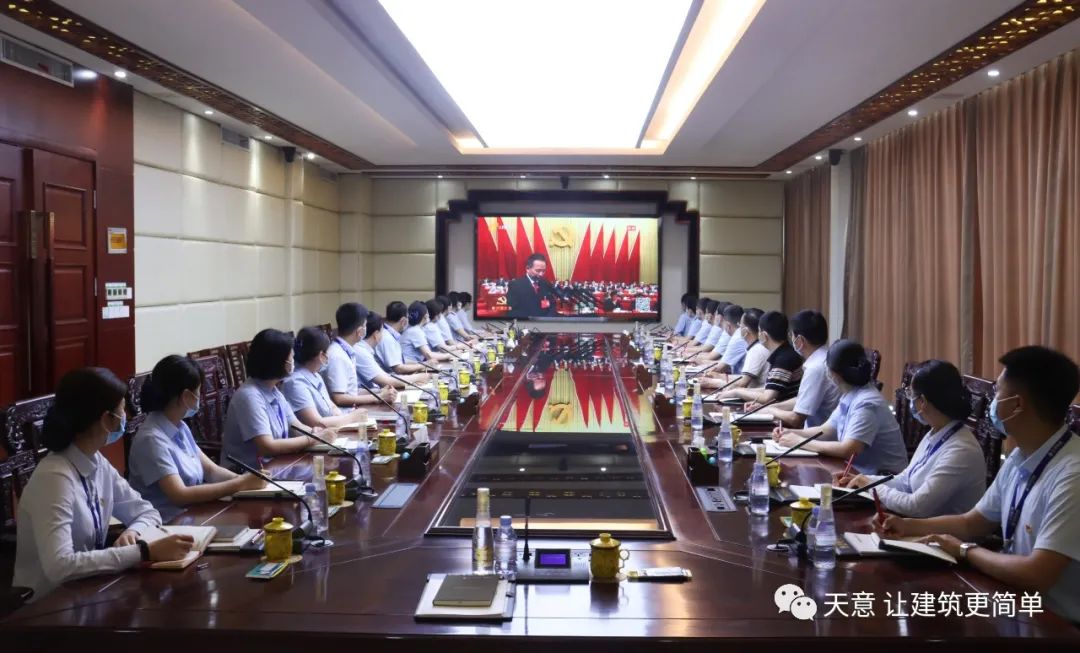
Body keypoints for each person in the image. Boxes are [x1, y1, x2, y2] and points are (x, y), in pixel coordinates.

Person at [879, 346, 1080, 623]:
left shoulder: (1072, 475)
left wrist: (965, 551)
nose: (991, 403)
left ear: (1017, 405)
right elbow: (973, 522)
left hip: (1055, 624)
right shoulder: (1020, 456)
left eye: (997, 392)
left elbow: (1037, 574)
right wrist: (908, 526)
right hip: (1012, 601)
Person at [14, 368, 194, 600]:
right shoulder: (54, 478)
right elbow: (59, 566)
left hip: (90, 590)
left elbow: (147, 512)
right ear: (106, 419)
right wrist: (143, 551)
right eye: (122, 410)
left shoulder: (95, 461)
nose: (125, 417)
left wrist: (134, 532)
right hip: (49, 604)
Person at [836, 360, 986, 517]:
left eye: (910, 394)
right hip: (915, 523)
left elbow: (916, 506)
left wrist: (870, 487)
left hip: (937, 530)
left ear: (923, 402)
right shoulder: (936, 432)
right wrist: (861, 479)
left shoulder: (961, 451)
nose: (910, 401)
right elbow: (905, 481)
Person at [129, 355, 266, 522]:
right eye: (199, 391)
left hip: (196, 515)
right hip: (168, 525)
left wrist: (248, 481)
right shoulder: (151, 440)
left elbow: (211, 471)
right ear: (186, 396)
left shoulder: (179, 426)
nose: (200, 397)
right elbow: (180, 495)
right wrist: (240, 484)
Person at [773, 339, 908, 475]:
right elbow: (826, 430)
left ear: (834, 373)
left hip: (882, 479)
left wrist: (799, 442)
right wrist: (791, 433)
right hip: (857, 473)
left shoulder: (867, 403)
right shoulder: (851, 393)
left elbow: (848, 450)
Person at [221, 328, 321, 471]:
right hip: (247, 474)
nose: (293, 362)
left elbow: (296, 426)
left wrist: (315, 432)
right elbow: (267, 446)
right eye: (291, 358)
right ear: (277, 362)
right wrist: (311, 439)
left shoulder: (273, 390)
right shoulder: (249, 396)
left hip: (277, 466)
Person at [281, 327, 371, 430]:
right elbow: (316, 423)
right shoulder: (295, 383)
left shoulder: (316, 375)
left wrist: (341, 417)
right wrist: (352, 417)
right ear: (321, 355)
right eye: (327, 351)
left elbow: (332, 407)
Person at [767, 309, 840, 428]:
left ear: (800, 340)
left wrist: (769, 411)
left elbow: (796, 419)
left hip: (817, 436)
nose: (791, 339)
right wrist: (773, 406)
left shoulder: (815, 368)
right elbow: (803, 400)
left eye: (791, 335)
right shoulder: (824, 357)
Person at [719, 311, 803, 406]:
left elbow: (767, 398)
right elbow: (769, 389)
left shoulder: (783, 359)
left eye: (759, 331)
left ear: (764, 335)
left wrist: (737, 392)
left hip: (781, 410)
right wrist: (739, 390)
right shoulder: (783, 352)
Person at [323, 302, 397, 408]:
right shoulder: (337, 356)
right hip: (346, 413)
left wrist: (379, 392)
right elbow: (339, 398)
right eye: (365, 326)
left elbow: (352, 391)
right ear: (360, 331)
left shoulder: (346, 350)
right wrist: (379, 397)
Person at [357, 312, 429, 390]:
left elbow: (386, 376)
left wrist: (412, 379)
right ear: (376, 334)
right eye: (382, 331)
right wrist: (417, 377)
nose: (383, 335)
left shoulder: (365, 350)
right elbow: (388, 380)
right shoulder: (362, 352)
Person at [701, 308, 767, 391]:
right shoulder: (756, 346)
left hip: (753, 395)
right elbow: (743, 377)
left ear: (745, 331)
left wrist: (713, 383)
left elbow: (742, 384)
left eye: (740, 325)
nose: (739, 328)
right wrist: (721, 376)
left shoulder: (757, 350)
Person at [377, 301, 432, 374]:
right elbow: (398, 368)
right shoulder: (387, 338)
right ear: (403, 321)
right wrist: (424, 365)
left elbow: (400, 361)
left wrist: (422, 364)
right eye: (408, 317)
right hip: (390, 377)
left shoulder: (390, 334)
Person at [506, 253, 556, 318]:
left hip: (544, 321)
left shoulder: (546, 283)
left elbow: (552, 304)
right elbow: (513, 309)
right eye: (538, 271)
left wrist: (548, 319)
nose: (541, 274)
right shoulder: (515, 285)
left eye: (543, 271)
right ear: (527, 268)